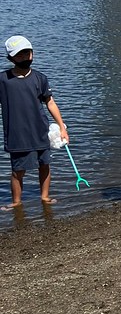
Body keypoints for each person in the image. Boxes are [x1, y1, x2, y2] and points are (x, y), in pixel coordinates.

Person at [0, 35, 69, 210]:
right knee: (18, 170)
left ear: (32, 54)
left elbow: (50, 103)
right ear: (11, 58)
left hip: (40, 130)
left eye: (26, 53)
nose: (24, 57)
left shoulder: (40, 78)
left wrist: (62, 127)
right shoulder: (3, 80)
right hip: (16, 133)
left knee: (44, 164)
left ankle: (44, 196)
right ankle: (17, 202)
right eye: (19, 55)